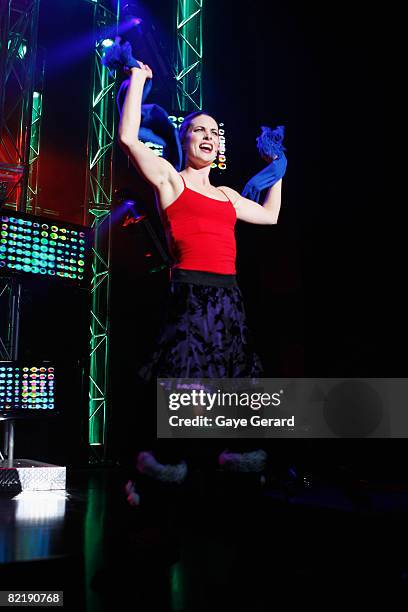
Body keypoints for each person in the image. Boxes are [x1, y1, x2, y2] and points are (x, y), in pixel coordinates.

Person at [111, 44, 287, 503]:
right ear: (184, 140)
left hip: (229, 299)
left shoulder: (228, 194)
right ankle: (154, 476)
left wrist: (277, 168)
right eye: (197, 130)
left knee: (237, 389)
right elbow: (129, 138)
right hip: (190, 297)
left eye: (212, 131)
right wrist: (138, 81)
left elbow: (270, 217)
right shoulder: (170, 180)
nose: (207, 136)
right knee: (184, 391)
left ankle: (233, 475)